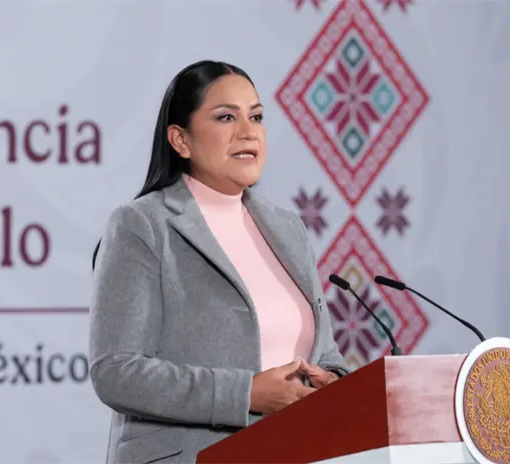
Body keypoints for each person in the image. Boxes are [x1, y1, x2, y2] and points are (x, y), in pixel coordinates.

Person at [88, 60, 349, 464]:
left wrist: (333, 381)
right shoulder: (142, 225)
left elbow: (325, 354)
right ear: (181, 140)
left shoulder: (288, 229)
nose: (248, 132)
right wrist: (246, 394)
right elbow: (115, 372)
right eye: (226, 117)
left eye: (257, 117)